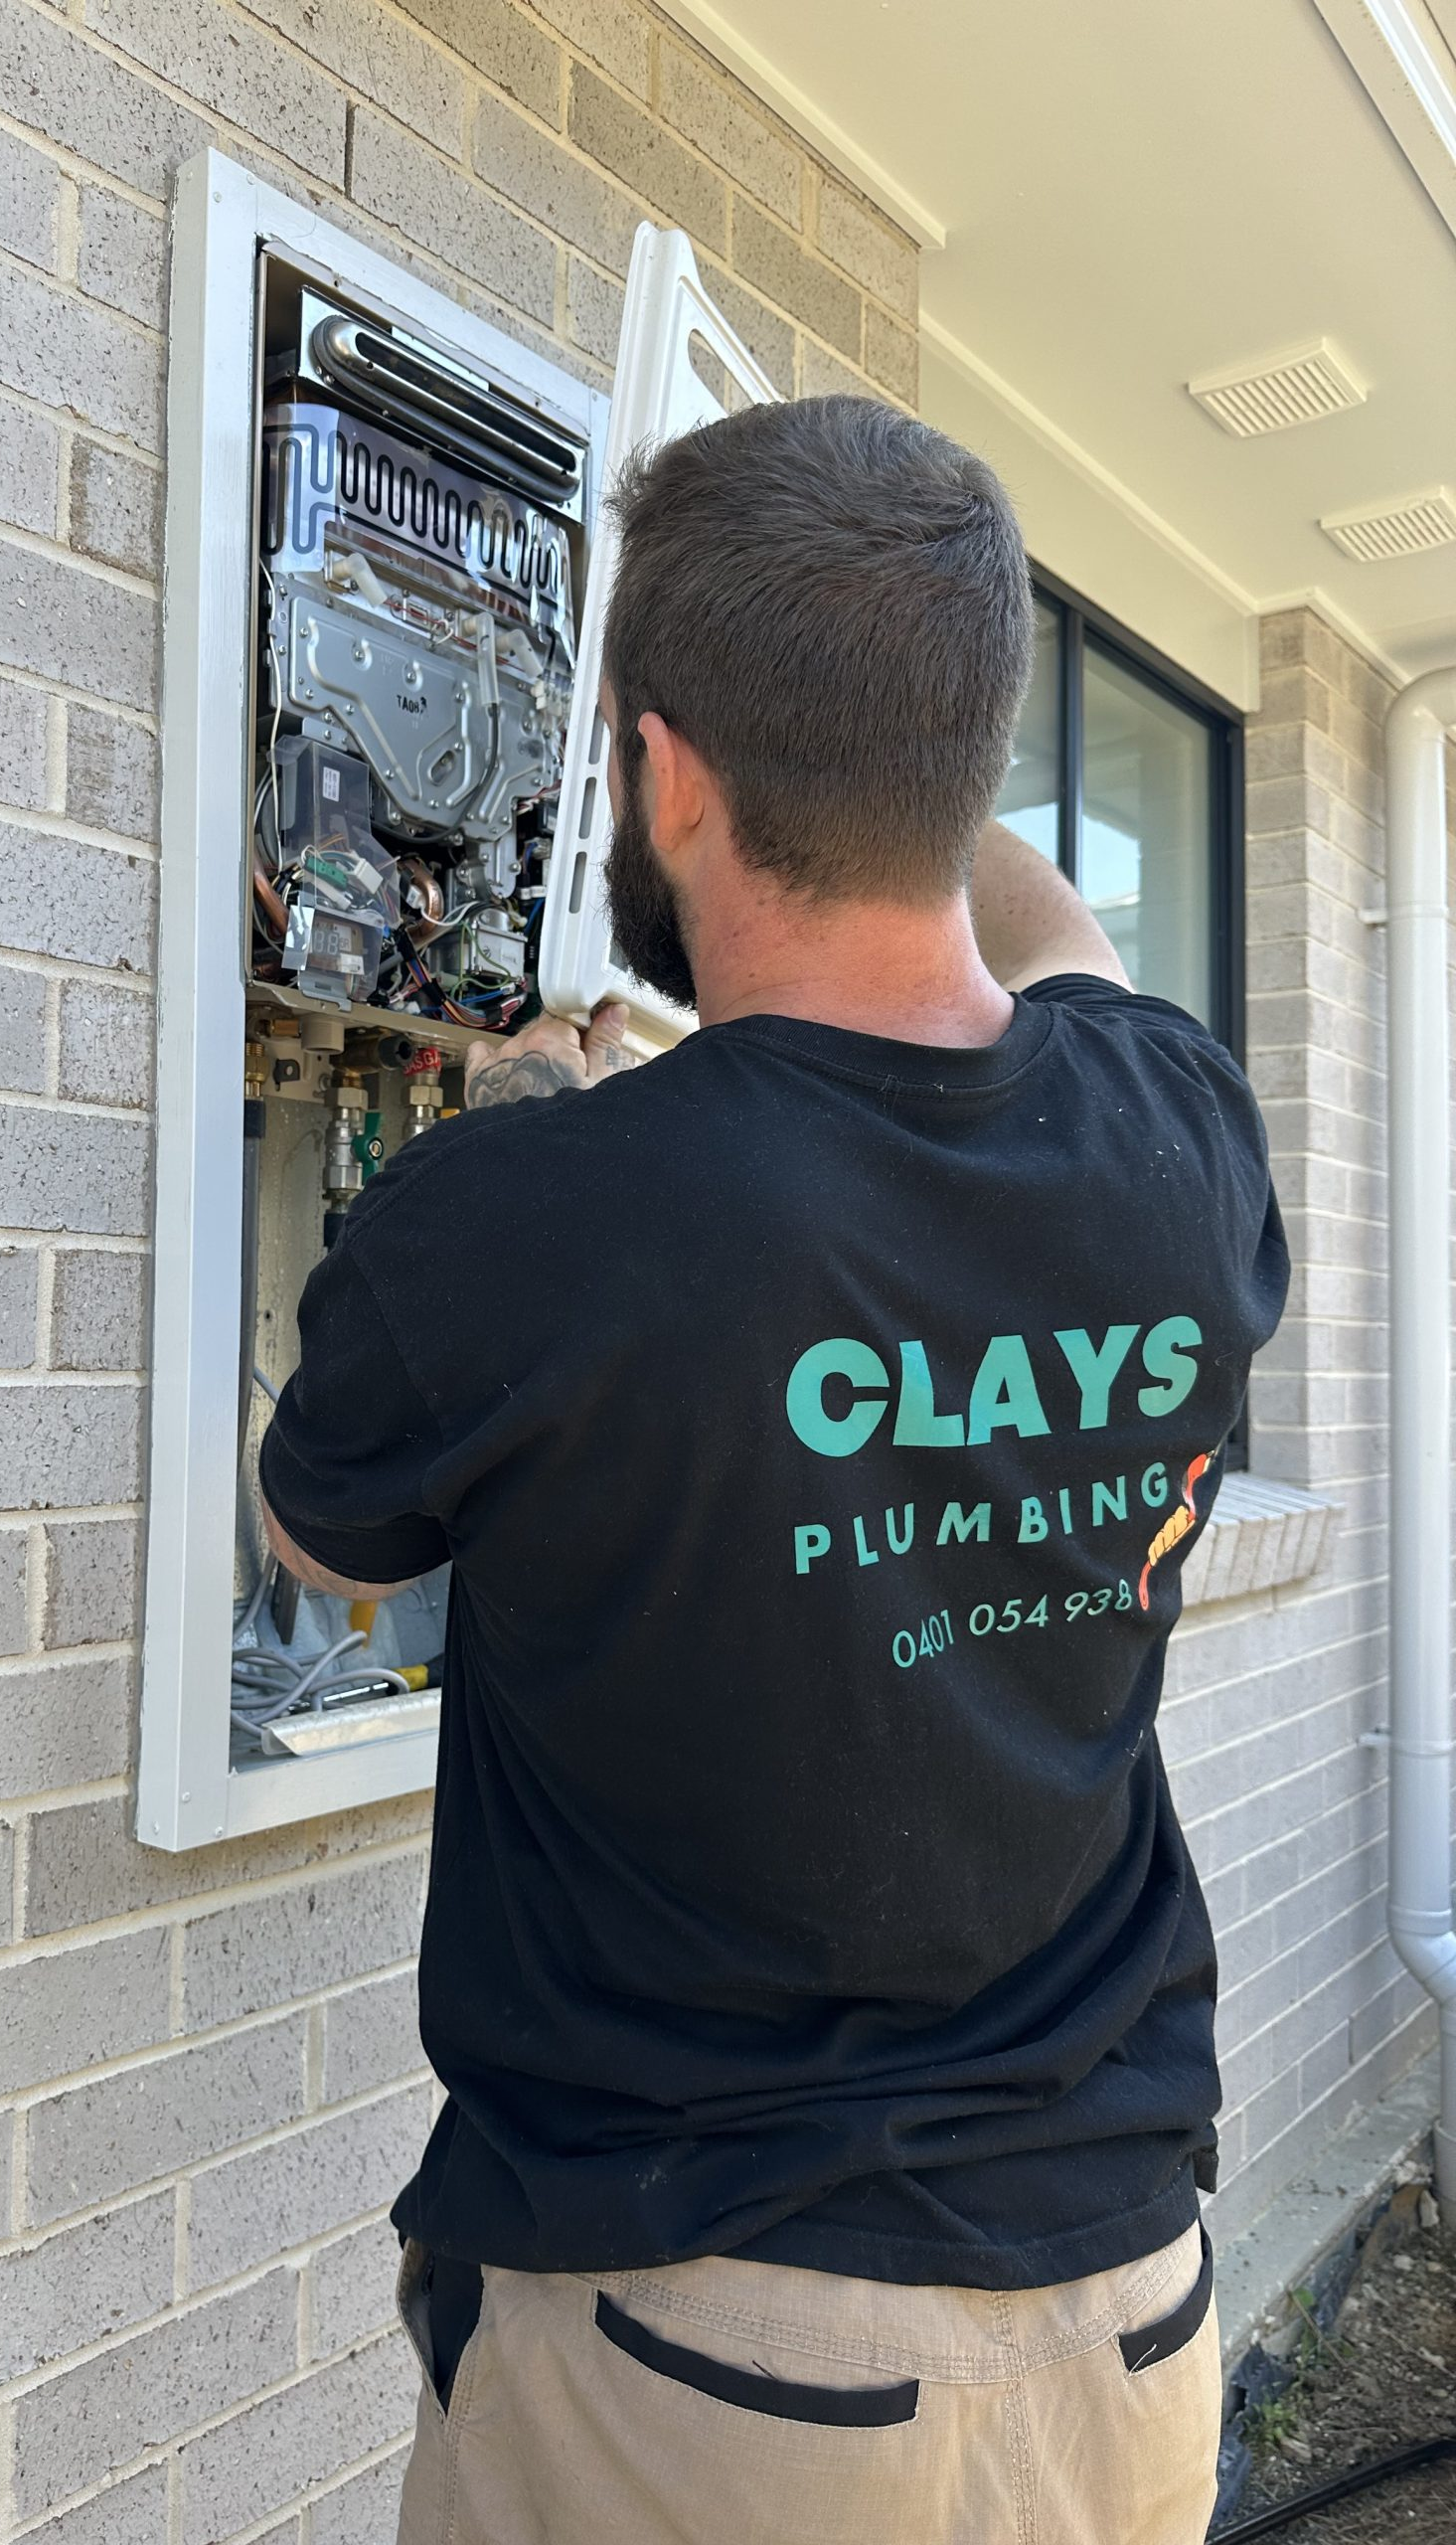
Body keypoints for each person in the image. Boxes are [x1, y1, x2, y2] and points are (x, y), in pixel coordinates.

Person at [257, 396, 1287, 2545]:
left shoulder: (528, 1218)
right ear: (976, 759)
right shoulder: (1171, 1134)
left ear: (663, 771)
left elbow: (316, 1530)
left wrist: (534, 1116)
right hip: (1131, 2327)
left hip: (722, 2380)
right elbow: (1057, 946)